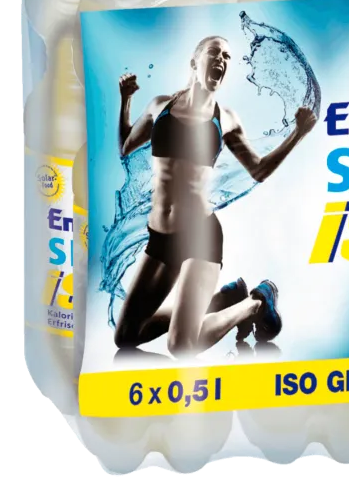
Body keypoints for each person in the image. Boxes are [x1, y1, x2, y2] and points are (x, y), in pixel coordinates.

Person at [114, 35, 316, 358]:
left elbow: (258, 170)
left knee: (181, 345)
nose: (221, 59)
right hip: (160, 239)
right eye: (214, 52)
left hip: (200, 236)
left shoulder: (227, 120)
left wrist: (298, 134)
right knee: (125, 336)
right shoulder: (160, 106)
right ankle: (224, 300)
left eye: (227, 56)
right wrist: (125, 100)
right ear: (194, 62)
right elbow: (126, 146)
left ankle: (255, 302)